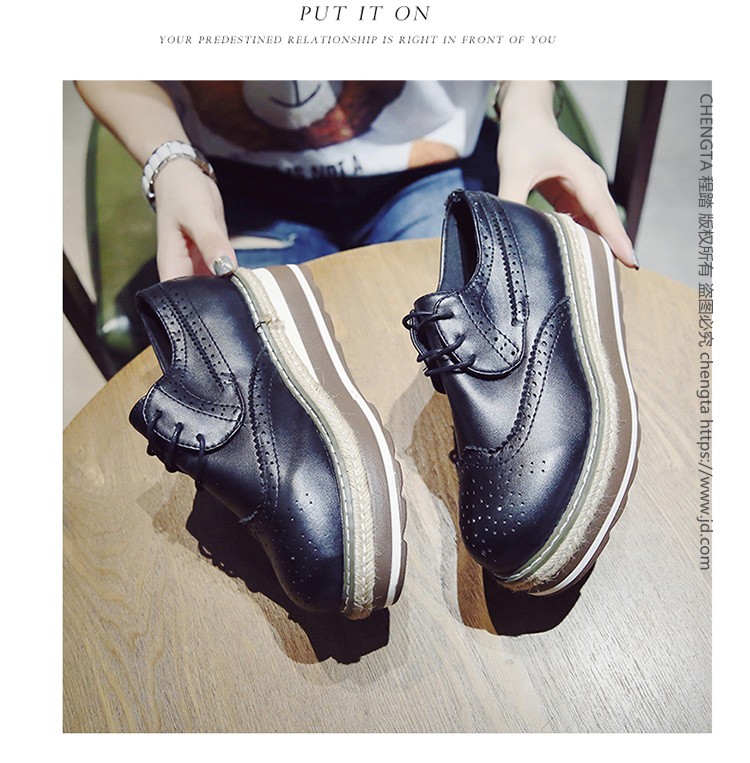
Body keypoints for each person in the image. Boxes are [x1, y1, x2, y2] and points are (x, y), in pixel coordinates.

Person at [75, 80, 637, 281]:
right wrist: (170, 160)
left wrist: (529, 107)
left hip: (432, 161)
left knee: (483, 345)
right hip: (234, 178)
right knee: (257, 388)